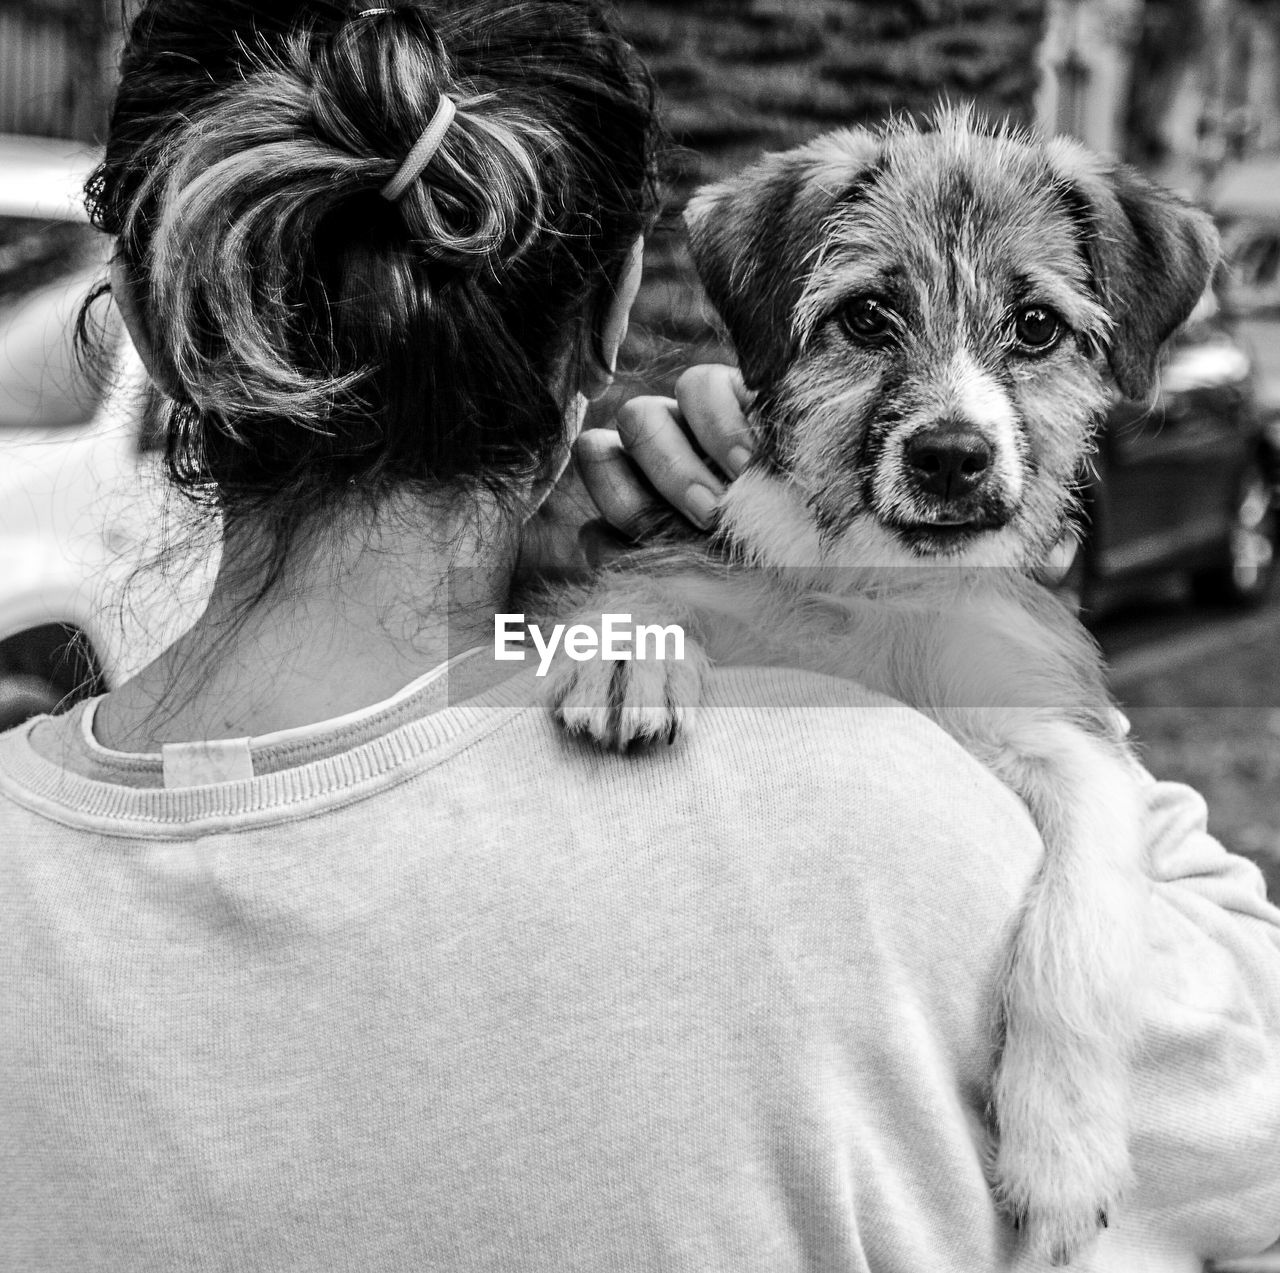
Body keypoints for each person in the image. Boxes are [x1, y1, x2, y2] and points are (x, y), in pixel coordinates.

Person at [2, 3, 1279, 1270]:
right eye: (864, 322)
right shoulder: (914, 832)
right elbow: (1248, 1112)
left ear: (143, 311)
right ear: (616, 312)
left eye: (1035, 333)